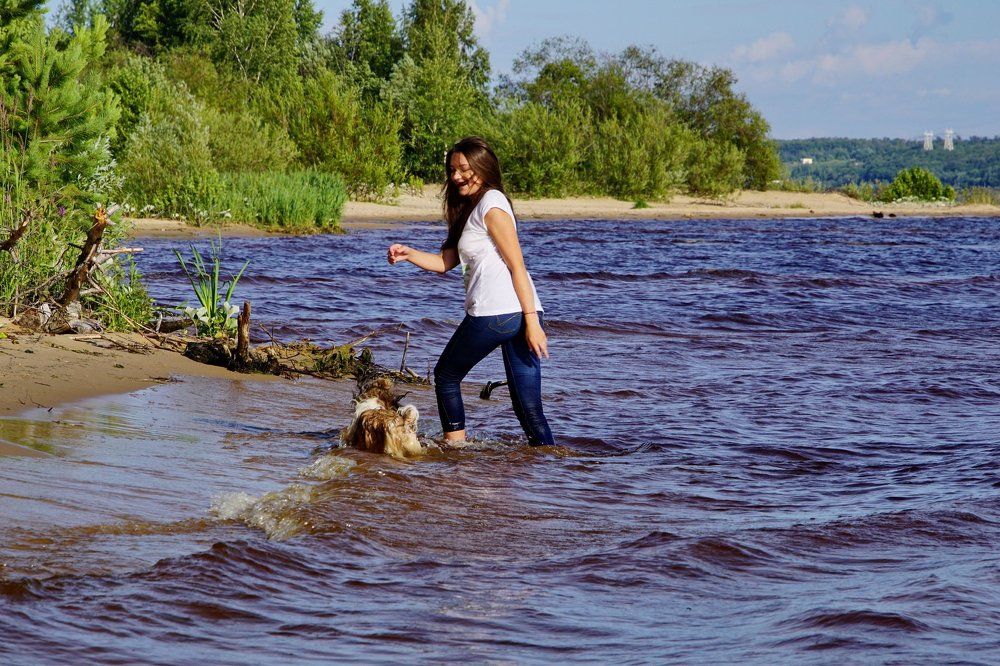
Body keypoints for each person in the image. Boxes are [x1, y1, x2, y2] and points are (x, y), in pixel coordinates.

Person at [387, 136, 554, 446]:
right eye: (452, 169)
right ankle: (551, 471)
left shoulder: (491, 204)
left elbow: (517, 265)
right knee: (529, 409)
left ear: (483, 167)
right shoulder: (472, 207)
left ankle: (455, 451)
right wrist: (409, 254)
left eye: (464, 169)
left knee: (446, 377)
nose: (456, 176)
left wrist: (532, 323)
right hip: (516, 310)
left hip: (498, 312)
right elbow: (444, 261)